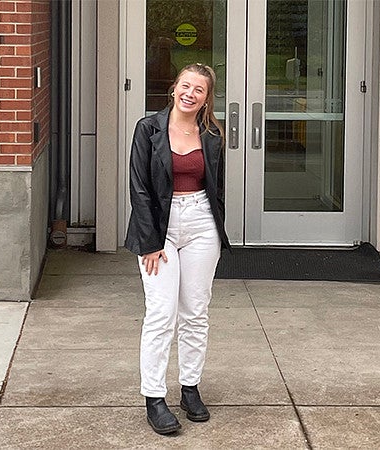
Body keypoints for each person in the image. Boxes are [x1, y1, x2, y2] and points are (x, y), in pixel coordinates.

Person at [124, 63, 231, 435]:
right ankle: (154, 397)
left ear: (206, 98)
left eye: (198, 90)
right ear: (174, 88)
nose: (190, 93)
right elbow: (138, 188)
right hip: (160, 227)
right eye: (186, 86)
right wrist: (150, 241)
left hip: (201, 222)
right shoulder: (148, 128)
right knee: (160, 314)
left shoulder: (211, 133)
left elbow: (216, 187)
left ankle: (190, 388)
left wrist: (217, 228)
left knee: (195, 312)